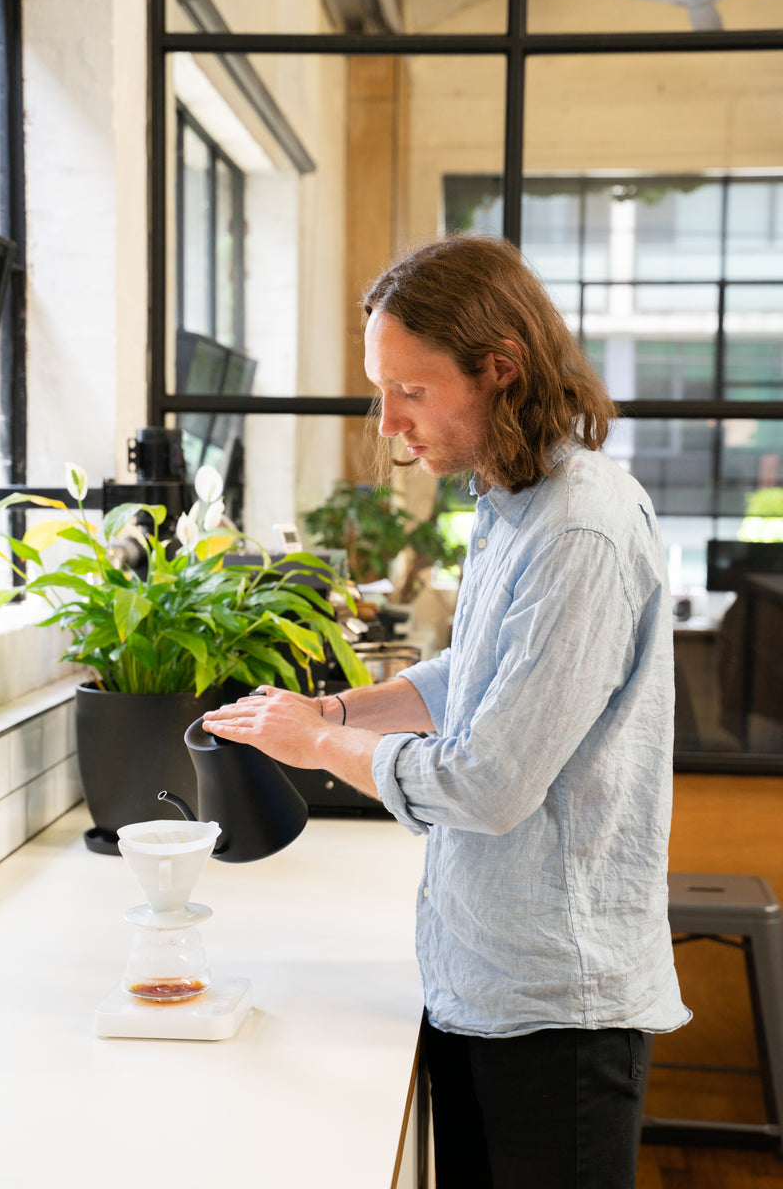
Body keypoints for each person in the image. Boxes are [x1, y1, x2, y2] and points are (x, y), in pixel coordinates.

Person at [202, 235, 687, 1188]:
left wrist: (320, 744)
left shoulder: (581, 528)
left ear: (497, 372)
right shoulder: (513, 499)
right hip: (483, 979)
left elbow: (490, 784)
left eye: (410, 392)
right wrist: (341, 703)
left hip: (560, 1008)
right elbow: (479, 669)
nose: (390, 423)